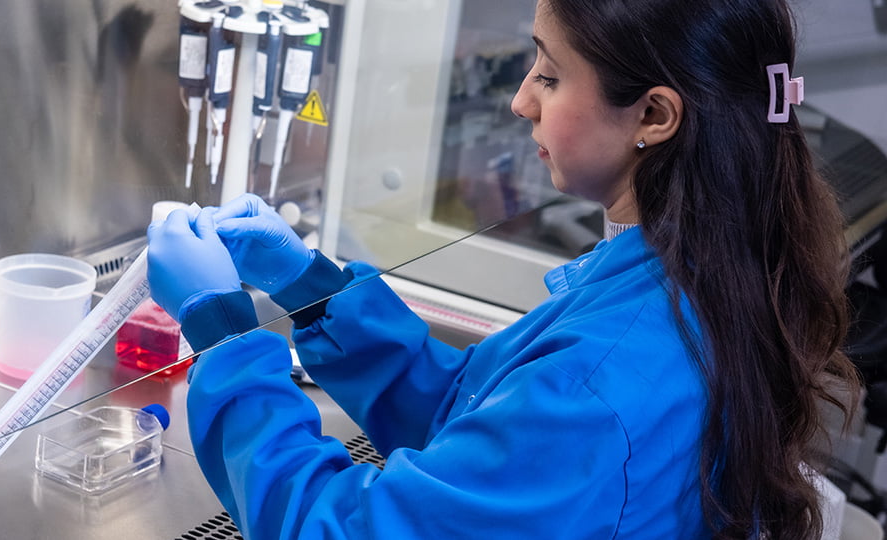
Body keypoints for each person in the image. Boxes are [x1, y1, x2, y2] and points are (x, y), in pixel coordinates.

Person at [146, 0, 861, 537]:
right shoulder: (686, 275)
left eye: (550, 75)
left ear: (654, 116)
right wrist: (308, 285)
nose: (522, 100)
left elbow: (338, 528)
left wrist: (222, 333)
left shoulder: (603, 381)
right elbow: (477, 418)